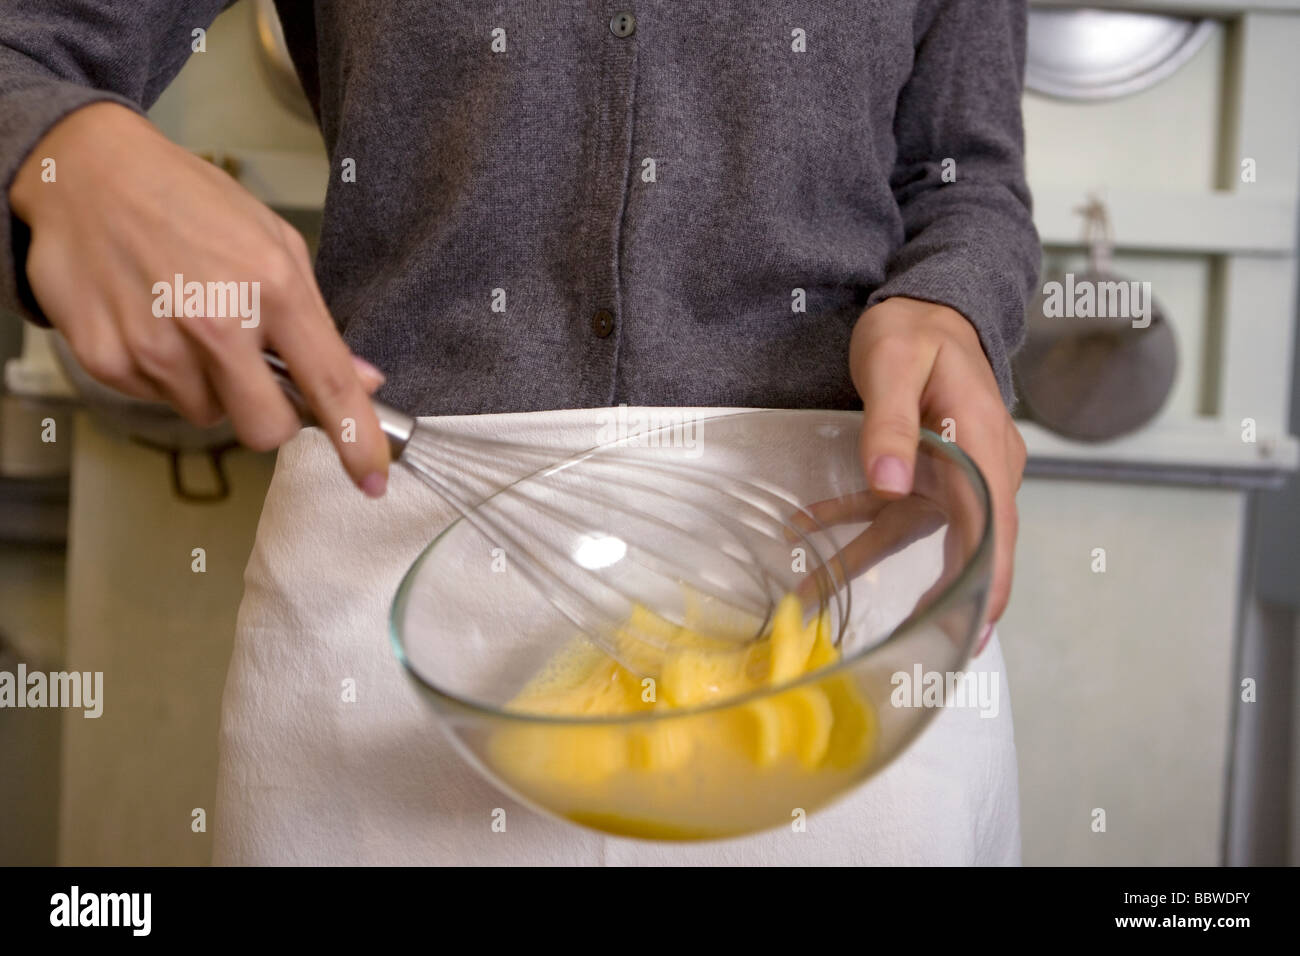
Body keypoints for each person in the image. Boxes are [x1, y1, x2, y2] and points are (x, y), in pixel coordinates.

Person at [1, 1, 1038, 864]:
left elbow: (965, 178)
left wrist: (951, 304)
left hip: (841, 593)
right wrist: (57, 144)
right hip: (393, 586)